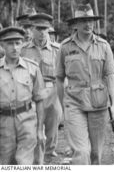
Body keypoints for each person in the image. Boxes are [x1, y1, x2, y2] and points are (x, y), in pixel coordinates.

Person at [55, 4, 114, 165]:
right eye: (83, 20)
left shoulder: (104, 46)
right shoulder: (65, 47)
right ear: (75, 24)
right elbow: (59, 79)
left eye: (90, 20)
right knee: (82, 152)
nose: (88, 24)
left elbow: (111, 76)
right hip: (74, 103)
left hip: (98, 103)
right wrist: (62, 107)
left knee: (96, 154)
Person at [21, 13, 63, 164]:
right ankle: (36, 160)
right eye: (38, 28)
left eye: (45, 29)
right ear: (32, 29)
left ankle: (49, 156)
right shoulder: (23, 50)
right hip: (31, 95)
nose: (42, 32)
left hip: (52, 93)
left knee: (52, 131)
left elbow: (63, 75)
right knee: (32, 132)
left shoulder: (58, 49)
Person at [0, 27, 45, 164]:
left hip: (27, 121)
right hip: (4, 123)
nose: (14, 47)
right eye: (10, 43)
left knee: (24, 162)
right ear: (2, 45)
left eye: (18, 43)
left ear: (22, 44)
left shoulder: (32, 68)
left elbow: (40, 100)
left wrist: (40, 130)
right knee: (6, 161)